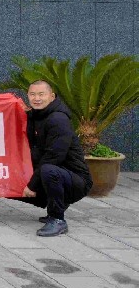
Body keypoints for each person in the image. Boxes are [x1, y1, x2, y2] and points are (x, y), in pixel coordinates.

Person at [15, 80, 93, 237]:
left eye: (41, 94)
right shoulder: (37, 115)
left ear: (52, 96)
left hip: (75, 181)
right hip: (54, 175)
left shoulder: (58, 119)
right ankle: (56, 204)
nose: (37, 98)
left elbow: (54, 157)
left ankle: (57, 219)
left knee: (48, 169)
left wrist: (32, 185)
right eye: (32, 94)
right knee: (9, 181)